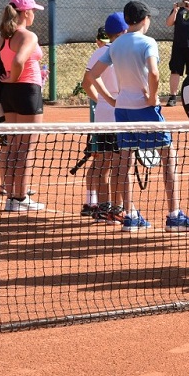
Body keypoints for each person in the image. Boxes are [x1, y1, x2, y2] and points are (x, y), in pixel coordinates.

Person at [88, 0, 189, 232]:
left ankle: (130, 216)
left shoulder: (115, 46)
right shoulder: (148, 42)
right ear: (145, 19)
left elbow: (93, 76)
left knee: (125, 161)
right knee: (169, 157)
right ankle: (174, 214)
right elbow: (155, 74)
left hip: (123, 110)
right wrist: (152, 97)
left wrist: (111, 100)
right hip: (145, 109)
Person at [0, 0, 47, 212]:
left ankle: (12, 197)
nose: (34, 15)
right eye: (33, 11)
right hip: (27, 91)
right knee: (25, 149)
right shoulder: (28, 36)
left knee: (14, 146)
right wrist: (16, 77)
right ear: (26, 13)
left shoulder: (3, 36)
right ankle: (20, 198)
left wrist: (11, 79)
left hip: (10, 93)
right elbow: (19, 60)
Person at [79, 14, 128, 222]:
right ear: (125, 31)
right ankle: (116, 209)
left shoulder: (99, 52)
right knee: (118, 164)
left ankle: (103, 207)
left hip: (102, 114)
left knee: (103, 162)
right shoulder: (127, 52)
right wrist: (109, 99)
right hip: (121, 113)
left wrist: (101, 100)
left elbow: (86, 83)